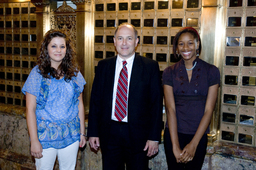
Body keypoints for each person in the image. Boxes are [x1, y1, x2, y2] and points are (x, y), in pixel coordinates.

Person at [87, 23, 163, 170]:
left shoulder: (150, 67)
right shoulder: (103, 66)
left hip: (138, 135)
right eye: (120, 38)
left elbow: (156, 104)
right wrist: (93, 132)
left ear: (136, 41)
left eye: (129, 38)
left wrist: (154, 137)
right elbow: (95, 101)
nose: (124, 43)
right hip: (109, 133)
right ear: (114, 41)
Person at [22, 29, 86, 170]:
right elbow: (30, 109)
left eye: (62, 46)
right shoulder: (37, 74)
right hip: (45, 137)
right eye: (54, 46)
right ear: (46, 49)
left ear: (67, 49)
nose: (58, 50)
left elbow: (79, 104)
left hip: (71, 134)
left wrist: (82, 133)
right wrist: (34, 140)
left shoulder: (75, 73)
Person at [163, 27, 220, 170]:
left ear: (197, 45)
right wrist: (175, 146)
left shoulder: (211, 71)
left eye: (190, 43)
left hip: (198, 136)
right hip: (174, 135)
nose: (185, 47)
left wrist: (194, 144)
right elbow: (170, 109)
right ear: (177, 47)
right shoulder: (169, 72)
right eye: (181, 44)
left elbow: (209, 110)